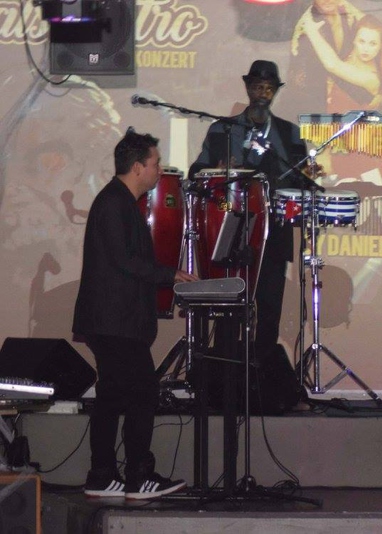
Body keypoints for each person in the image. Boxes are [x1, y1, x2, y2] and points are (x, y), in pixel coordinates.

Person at [73, 131, 197, 499]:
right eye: (156, 164)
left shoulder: (120, 201)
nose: (160, 170)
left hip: (113, 322)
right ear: (138, 167)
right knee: (143, 394)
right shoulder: (115, 203)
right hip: (115, 323)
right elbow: (124, 261)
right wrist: (170, 274)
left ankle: (101, 476)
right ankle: (139, 477)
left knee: (111, 398)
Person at [189, 60, 309, 369]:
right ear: (247, 88)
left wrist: (307, 177)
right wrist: (216, 169)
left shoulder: (290, 134)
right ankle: (226, 370)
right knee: (230, 305)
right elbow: (196, 172)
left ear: (275, 92)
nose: (262, 94)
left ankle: (263, 373)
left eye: (269, 89)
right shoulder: (222, 129)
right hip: (231, 226)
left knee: (269, 306)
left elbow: (301, 182)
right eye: (257, 87)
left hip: (274, 231)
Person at [284, 0, 364, 118]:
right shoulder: (308, 24)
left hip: (338, 101)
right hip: (308, 104)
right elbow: (330, 67)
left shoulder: (349, 15)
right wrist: (366, 95)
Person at [298, 12, 382, 111]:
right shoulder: (350, 52)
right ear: (354, 40)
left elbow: (332, 65)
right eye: (361, 41)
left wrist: (311, 30)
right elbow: (346, 7)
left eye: (373, 44)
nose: (366, 49)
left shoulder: (371, 78)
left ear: (381, 46)